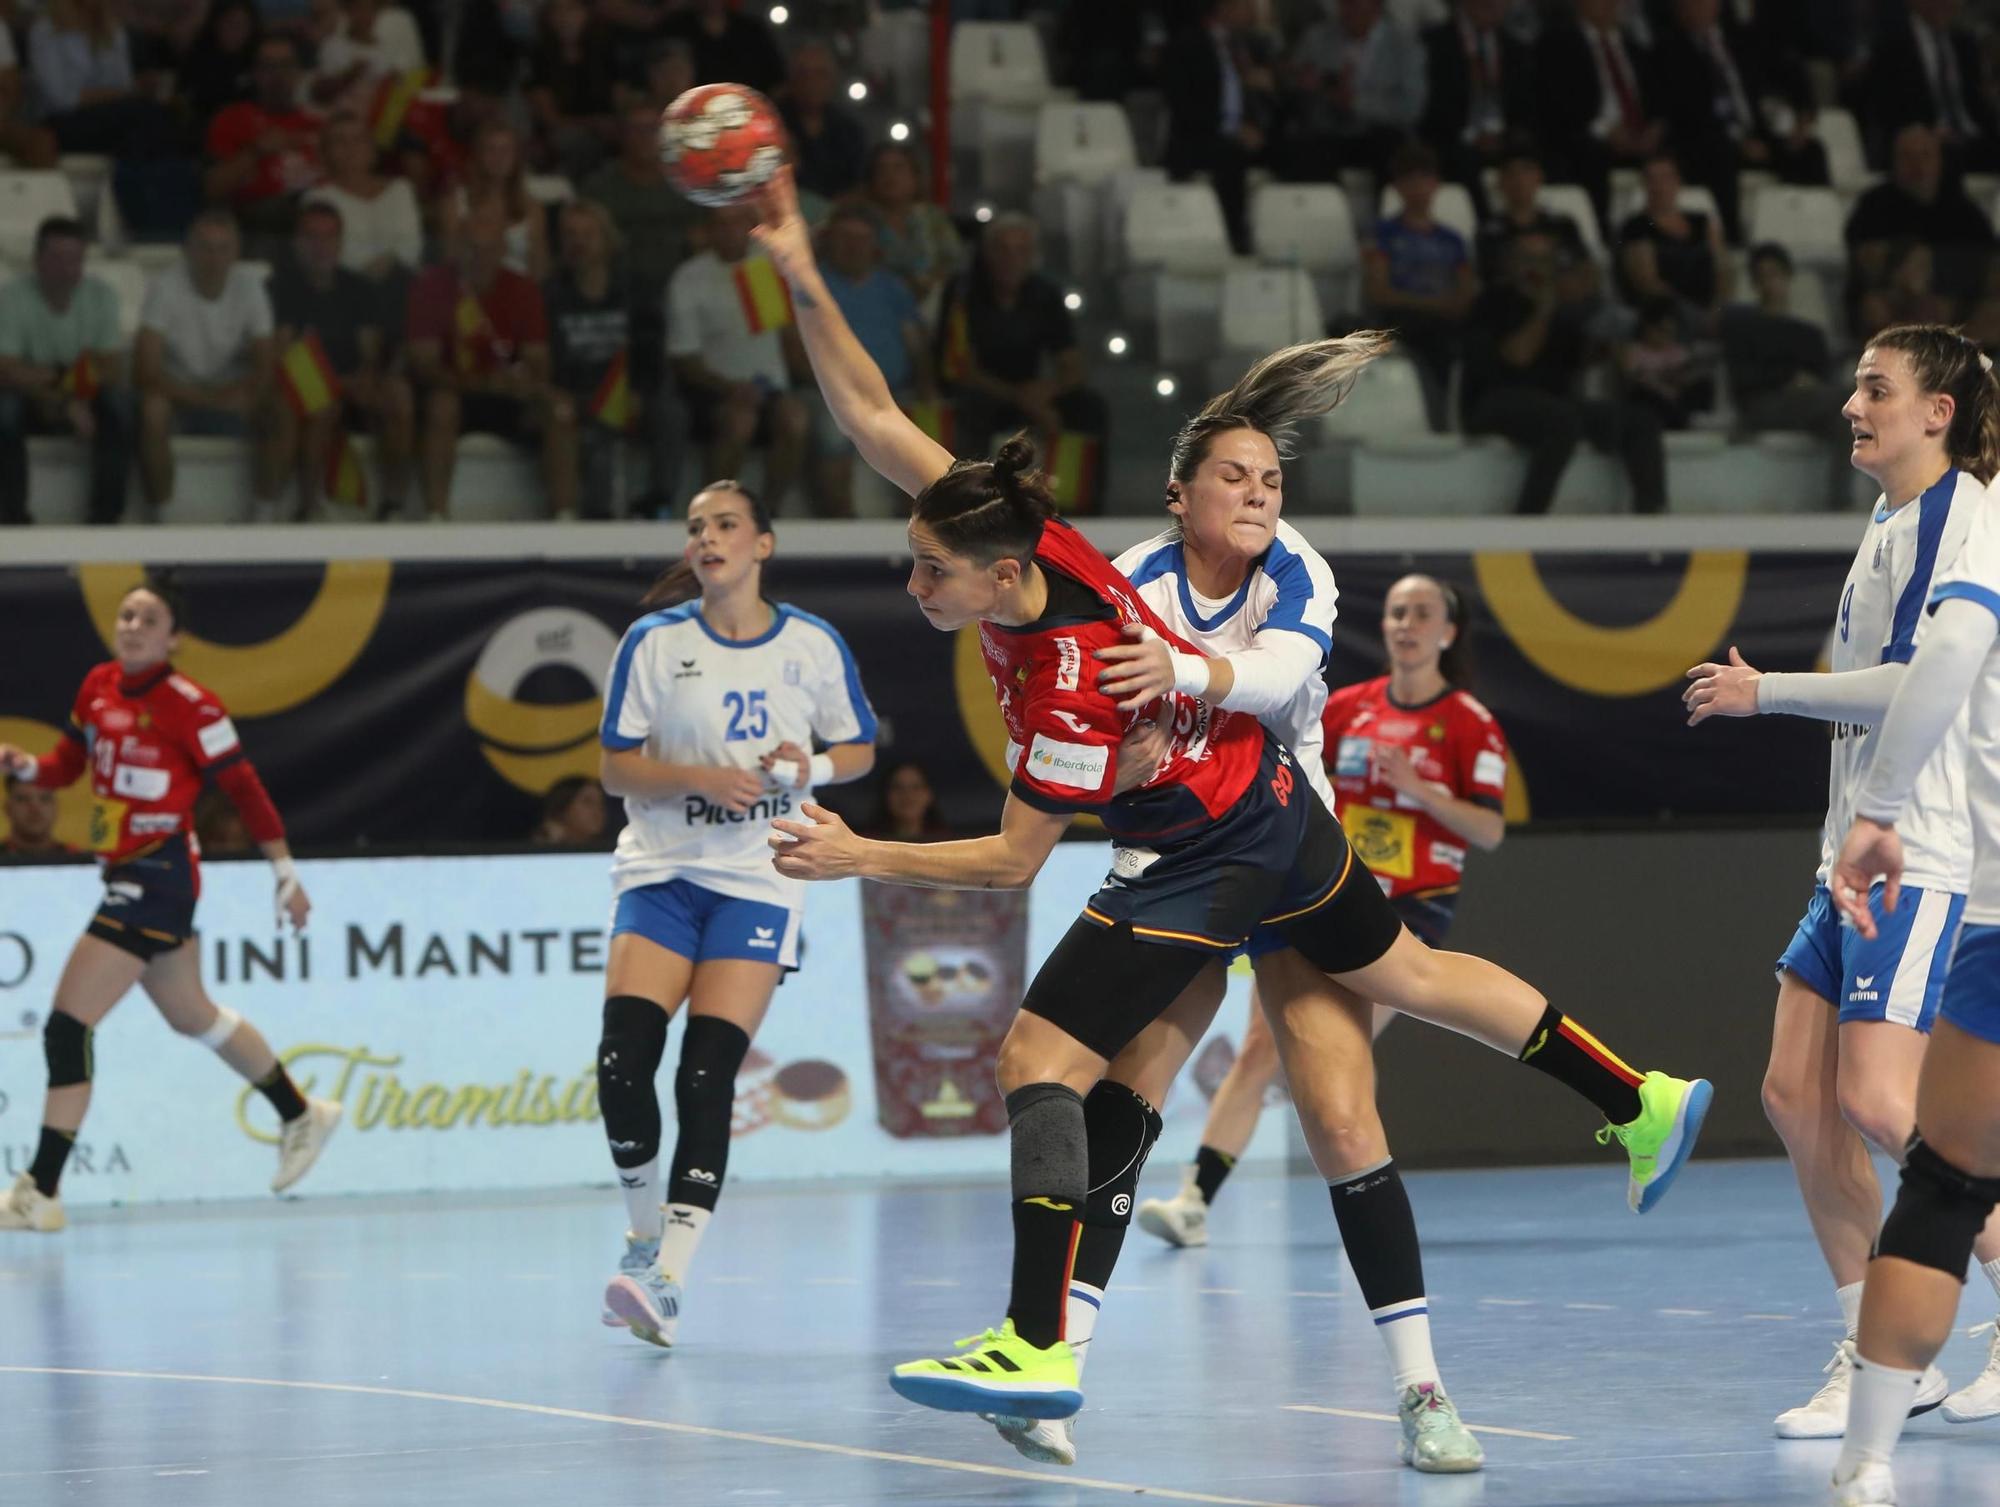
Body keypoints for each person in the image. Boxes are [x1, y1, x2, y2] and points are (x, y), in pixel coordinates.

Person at [751, 161, 1711, 1451]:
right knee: (1253, 1040)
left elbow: (1017, 854)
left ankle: (1047, 1348)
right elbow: (870, 414)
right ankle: (1634, 1098)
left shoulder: (1085, 678)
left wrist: (855, 848)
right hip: (1276, 823)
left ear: (992, 575)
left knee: (1061, 1063)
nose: (911, 580)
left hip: (1210, 845)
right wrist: (797, 265)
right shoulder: (1054, 543)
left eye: (928, 572)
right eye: (1236, 477)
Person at [1684, 323, 2000, 1443]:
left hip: (1916, 852)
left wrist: (1762, 692)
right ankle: (1879, 1344)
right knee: (1791, 1092)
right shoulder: (1889, 514)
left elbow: (1923, 680)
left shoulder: (1967, 519)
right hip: (1849, 854)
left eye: (1875, 388)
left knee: (1877, 1099)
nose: (1848, 406)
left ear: (1937, 412)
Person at [1139, 573, 1510, 1249]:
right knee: (1258, 1047)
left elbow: (1488, 830)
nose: (1405, 623)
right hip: (1326, 891)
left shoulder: (1468, 723)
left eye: (1422, 613)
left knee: (1346, 1046)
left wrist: (1419, 789)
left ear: (1448, 634)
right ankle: (1193, 1200)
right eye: (1396, 610)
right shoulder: (1348, 708)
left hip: (1410, 910)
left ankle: (1370, 1200)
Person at [594, 479, 878, 1346]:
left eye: (725, 524)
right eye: (695, 528)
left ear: (763, 544)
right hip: (663, 872)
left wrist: (809, 769)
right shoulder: (653, 641)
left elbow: (858, 749)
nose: (707, 538)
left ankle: (669, 1278)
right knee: (622, 1063)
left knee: (707, 1073)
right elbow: (613, 768)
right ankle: (644, 1232)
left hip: (758, 878)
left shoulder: (813, 645)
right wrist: (700, 778)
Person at [0, 579, 341, 1233]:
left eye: (149, 618)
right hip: (126, 871)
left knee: (67, 1026)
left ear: (174, 638)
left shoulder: (192, 705)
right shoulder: (96, 686)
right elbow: (68, 764)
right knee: (193, 1015)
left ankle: (39, 1190)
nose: (131, 624)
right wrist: (25, 768)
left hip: (158, 877)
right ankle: (301, 1112)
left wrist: (285, 873)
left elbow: (244, 787)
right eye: (126, 613)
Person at [1823, 352, 2000, 1507]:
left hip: (1977, 886)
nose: (1853, 406)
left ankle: (1866, 1463)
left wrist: (1877, 813)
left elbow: (1939, 659)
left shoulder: (1972, 520)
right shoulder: (1930, 518)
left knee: (1941, 1175)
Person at [1463, 229, 1667, 515]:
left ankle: (1652, 514)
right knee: (1561, 421)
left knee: (1641, 421)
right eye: (1528, 259)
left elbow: (1585, 358)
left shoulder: (1562, 306)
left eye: (1546, 259)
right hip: (1494, 400)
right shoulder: (1493, 301)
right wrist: (1546, 307)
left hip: (1554, 401)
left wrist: (1601, 317)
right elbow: (1518, 356)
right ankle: (1529, 517)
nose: (1537, 266)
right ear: (1510, 263)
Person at [406, 198, 575, 519]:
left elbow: (539, 359)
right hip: (456, 394)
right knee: (442, 406)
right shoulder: (431, 287)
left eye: (487, 248)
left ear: (501, 250)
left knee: (559, 408)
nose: (479, 256)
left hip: (510, 398)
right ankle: (436, 515)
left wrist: (523, 378)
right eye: (471, 247)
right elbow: (423, 363)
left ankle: (564, 514)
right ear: (457, 247)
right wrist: (479, 382)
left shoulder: (522, 289)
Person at [937, 214, 1107, 491]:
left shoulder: (1047, 294)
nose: (1011, 258)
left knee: (1089, 408)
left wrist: (1047, 392)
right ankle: (969, 496)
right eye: (1002, 249)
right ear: (987, 253)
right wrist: (1021, 398)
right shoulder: (961, 292)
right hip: (981, 388)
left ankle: (1078, 497)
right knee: (970, 409)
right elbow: (958, 367)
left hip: (1032, 388)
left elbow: (1071, 363)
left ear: (1033, 255)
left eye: (1021, 250)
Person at [134, 209, 284, 524]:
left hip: (230, 393)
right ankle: (164, 517)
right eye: (204, 247)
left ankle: (264, 515)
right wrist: (212, 399)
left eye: (222, 248)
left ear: (236, 253)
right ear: (187, 250)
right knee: (152, 410)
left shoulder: (251, 287)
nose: (213, 258)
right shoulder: (164, 287)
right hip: (178, 395)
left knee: (278, 410)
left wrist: (246, 394)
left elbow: (266, 365)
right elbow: (145, 372)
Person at [268, 200, 414, 519]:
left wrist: (366, 377)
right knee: (324, 406)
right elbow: (282, 354)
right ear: (296, 242)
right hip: (305, 390)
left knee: (398, 396)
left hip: (352, 387)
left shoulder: (359, 288)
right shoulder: (280, 286)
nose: (320, 246)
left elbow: (370, 353)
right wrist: (333, 385)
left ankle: (393, 503)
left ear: (340, 242)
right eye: (311, 237)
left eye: (329, 237)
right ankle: (310, 508)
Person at [667, 204, 811, 513]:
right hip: (713, 390)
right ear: (707, 230)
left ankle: (769, 511)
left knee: (795, 418)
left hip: (769, 388)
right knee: (740, 419)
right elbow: (684, 359)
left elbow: (786, 337)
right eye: (721, 224)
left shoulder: (765, 269)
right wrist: (730, 388)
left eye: (737, 223)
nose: (730, 231)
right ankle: (716, 512)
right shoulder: (689, 278)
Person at [545, 197, 684, 518]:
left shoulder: (636, 291)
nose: (578, 242)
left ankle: (659, 501)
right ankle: (599, 517)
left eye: (587, 234)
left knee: (670, 412)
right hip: (580, 395)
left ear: (608, 240)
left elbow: (651, 352)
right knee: (596, 428)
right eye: (570, 234)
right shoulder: (551, 294)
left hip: (630, 390)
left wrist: (636, 390)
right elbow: (549, 361)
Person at [0, 216, 133, 527]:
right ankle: (12, 519)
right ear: (37, 260)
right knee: (3, 410)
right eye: (57, 258)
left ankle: (106, 519)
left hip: (82, 399)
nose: (67, 267)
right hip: (32, 400)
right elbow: (5, 372)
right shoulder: (11, 298)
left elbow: (111, 369)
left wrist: (72, 393)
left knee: (121, 406)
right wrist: (64, 394)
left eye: (75, 259)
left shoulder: (101, 297)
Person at [816, 202, 932, 517]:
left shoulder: (892, 287)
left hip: (897, 392)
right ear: (829, 242)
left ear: (875, 245)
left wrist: (927, 389)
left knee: (923, 435)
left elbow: (916, 345)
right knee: (831, 431)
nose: (854, 247)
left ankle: (918, 532)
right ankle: (842, 532)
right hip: (834, 394)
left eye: (862, 238)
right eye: (845, 238)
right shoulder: (814, 286)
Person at [1364, 141, 1478, 430]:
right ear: (1398, 187)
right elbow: (1380, 292)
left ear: (1435, 184)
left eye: (1424, 180)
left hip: (1448, 319)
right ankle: (1436, 422)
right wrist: (1437, 305)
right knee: (1434, 340)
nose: (1418, 188)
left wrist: (1453, 306)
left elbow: (1466, 291)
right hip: (1404, 319)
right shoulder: (1383, 234)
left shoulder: (1452, 239)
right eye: (1409, 181)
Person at [203, 34, 322, 247]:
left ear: (298, 72)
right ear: (255, 73)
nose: (278, 75)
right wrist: (257, 150)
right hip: (261, 223)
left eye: (286, 65)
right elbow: (212, 188)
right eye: (269, 66)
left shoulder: (315, 125)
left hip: (319, 218)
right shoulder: (232, 118)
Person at [303, 112, 424, 285]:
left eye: (358, 139)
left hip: (403, 283)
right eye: (340, 141)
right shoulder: (318, 197)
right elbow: (327, 253)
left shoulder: (401, 190)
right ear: (326, 151)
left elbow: (411, 246)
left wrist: (390, 265)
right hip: (347, 289)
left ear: (372, 148)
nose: (351, 147)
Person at [440, 119, 549, 283]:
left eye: (506, 150)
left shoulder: (532, 209)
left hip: (518, 294)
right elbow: (449, 262)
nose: (499, 158)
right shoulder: (456, 203)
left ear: (516, 157)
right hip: (469, 291)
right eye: (491, 150)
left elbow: (539, 271)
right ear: (479, 155)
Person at [857, 142, 962, 306]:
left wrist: (930, 283)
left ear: (915, 176)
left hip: (932, 306)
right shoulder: (859, 220)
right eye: (881, 170)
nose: (889, 176)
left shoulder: (932, 217)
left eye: (898, 168)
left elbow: (954, 263)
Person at [524, 0, 616, 181]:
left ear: (585, 14)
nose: (565, 18)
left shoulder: (601, 52)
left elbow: (618, 100)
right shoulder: (539, 59)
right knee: (576, 142)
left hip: (603, 129)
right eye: (558, 11)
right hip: (560, 134)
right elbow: (551, 120)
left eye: (572, 10)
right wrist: (594, 123)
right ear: (548, 18)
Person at [778, 37, 865, 203]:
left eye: (820, 74)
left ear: (832, 81)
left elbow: (857, 186)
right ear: (790, 80)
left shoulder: (849, 130)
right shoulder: (773, 125)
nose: (811, 82)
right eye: (803, 73)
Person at [864, 759, 951, 842]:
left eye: (916, 787)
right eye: (897, 787)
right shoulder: (868, 843)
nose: (907, 795)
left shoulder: (947, 844)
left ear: (929, 795)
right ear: (886, 795)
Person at [1, 774, 79, 857]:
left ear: (56, 807)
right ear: (7, 808)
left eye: (45, 798)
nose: (35, 809)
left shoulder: (78, 860)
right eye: (23, 799)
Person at [531, 774, 607, 846]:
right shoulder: (542, 843)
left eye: (601, 803)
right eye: (588, 802)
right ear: (563, 807)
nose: (598, 810)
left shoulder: (613, 850)